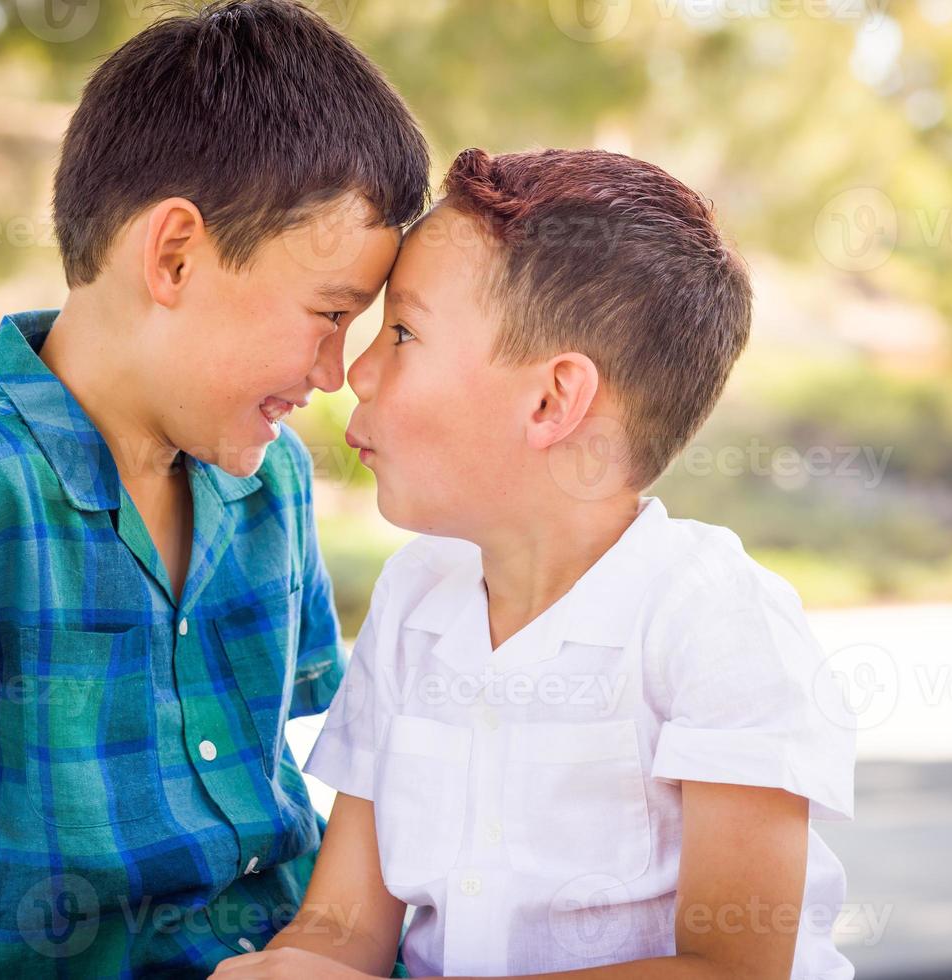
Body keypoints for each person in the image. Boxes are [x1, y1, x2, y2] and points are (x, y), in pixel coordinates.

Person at [0, 2, 428, 975]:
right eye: (327, 314)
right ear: (173, 255)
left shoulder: (275, 480)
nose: (335, 372)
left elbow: (303, 804)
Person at [214, 148, 857, 979]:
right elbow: (343, 929)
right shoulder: (415, 599)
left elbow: (729, 969)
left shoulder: (715, 623)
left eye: (403, 331)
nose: (357, 371)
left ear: (553, 400)